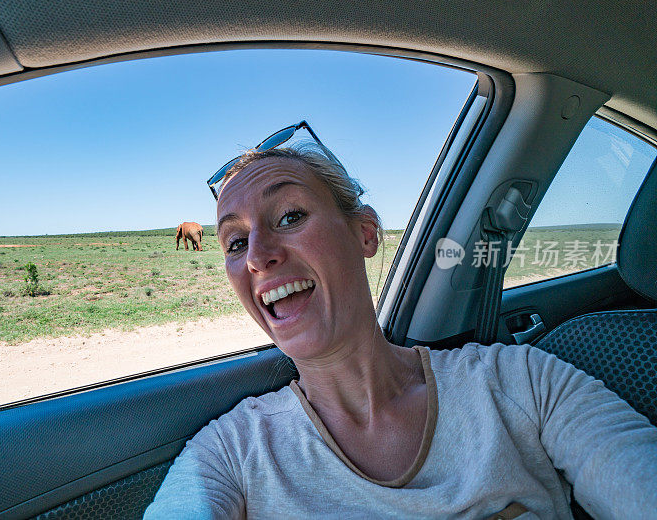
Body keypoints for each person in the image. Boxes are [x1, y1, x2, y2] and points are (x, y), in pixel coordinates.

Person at [144, 130, 657, 519]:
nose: (257, 256)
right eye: (235, 243)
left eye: (289, 217)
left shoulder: (522, 382)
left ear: (365, 233)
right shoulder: (230, 454)